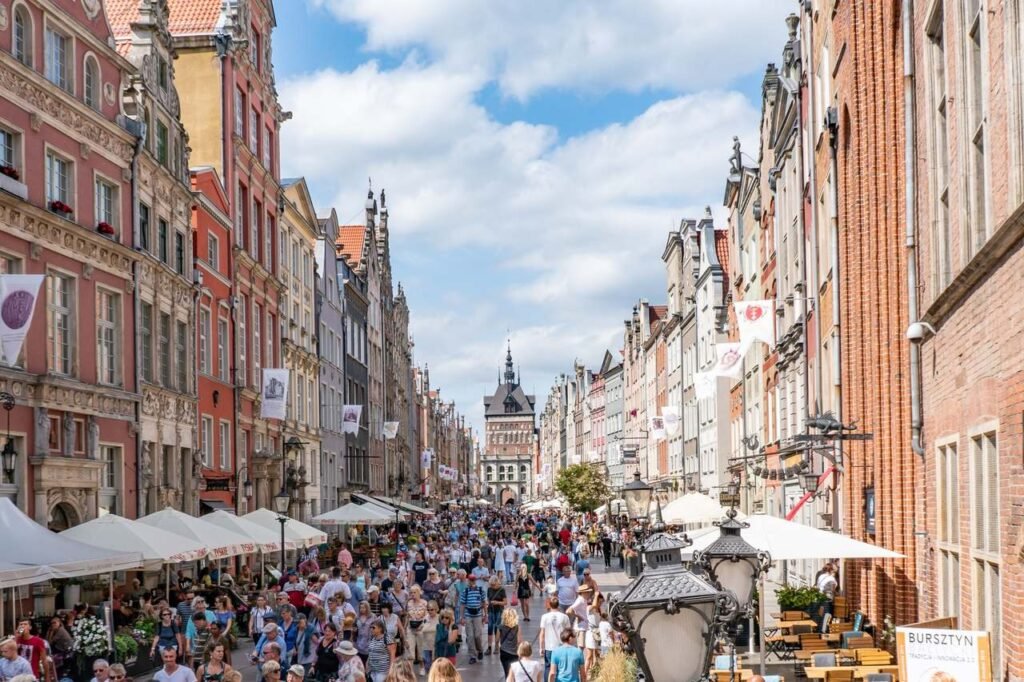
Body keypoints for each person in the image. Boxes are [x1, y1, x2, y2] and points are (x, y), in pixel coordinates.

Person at [538, 598, 570, 682]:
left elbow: (542, 633)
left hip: (549, 647)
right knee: (561, 668)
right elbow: (568, 633)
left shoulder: (544, 617)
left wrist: (541, 647)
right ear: (558, 605)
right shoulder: (564, 617)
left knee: (548, 667)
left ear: (549, 605)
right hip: (561, 646)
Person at [459, 574, 486, 664]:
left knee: (477, 635)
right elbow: (462, 604)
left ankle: (480, 649)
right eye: (470, 580)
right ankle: (472, 656)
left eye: (473, 580)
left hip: (478, 615)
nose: (472, 582)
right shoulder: (465, 591)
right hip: (468, 615)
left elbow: (484, 603)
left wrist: (485, 615)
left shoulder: (480, 590)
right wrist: (461, 617)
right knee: (470, 636)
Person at [485, 575, 507, 655]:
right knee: (490, 627)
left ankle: (497, 646)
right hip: (491, 610)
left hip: (499, 610)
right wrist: (487, 604)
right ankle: (489, 647)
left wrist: (497, 602)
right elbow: (488, 599)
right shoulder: (489, 589)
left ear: (497, 583)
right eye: (491, 585)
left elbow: (505, 602)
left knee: (497, 628)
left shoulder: (502, 590)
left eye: (493, 585)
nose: (492, 586)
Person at [497, 609, 521, 680]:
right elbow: (519, 641)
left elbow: (497, 639)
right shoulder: (517, 627)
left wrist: (498, 646)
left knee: (507, 672)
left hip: (504, 651)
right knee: (514, 673)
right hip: (514, 653)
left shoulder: (500, 627)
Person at [417, 601, 439, 675]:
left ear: (436, 609)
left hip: (435, 644)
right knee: (427, 664)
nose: (430, 611)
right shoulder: (426, 617)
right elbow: (421, 627)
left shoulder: (440, 618)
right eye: (428, 609)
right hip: (426, 644)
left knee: (435, 664)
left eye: (432, 609)